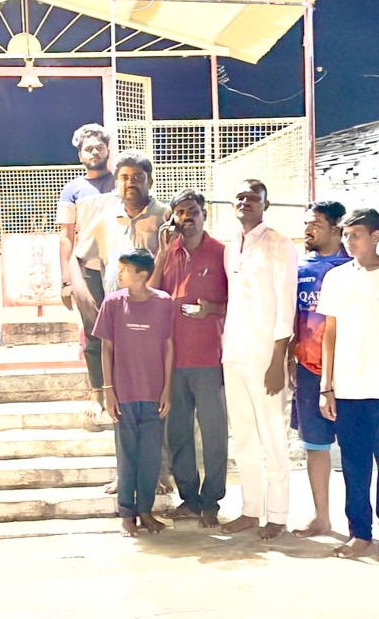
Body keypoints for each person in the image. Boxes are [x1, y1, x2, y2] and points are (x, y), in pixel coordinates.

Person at [317, 208, 379, 564]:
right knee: (354, 466)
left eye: (356, 234)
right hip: (347, 389)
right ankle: (359, 534)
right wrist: (326, 386)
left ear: (376, 236)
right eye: (346, 234)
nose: (349, 240)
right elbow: (329, 333)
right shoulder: (337, 277)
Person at [218, 179, 298, 541]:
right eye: (240, 197)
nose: (245, 202)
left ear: (266, 204)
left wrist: (278, 359)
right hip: (234, 352)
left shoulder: (280, 244)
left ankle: (277, 515)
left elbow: (286, 304)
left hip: (265, 355)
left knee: (272, 435)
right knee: (244, 436)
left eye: (253, 198)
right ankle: (250, 510)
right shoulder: (230, 246)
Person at [70, 150, 168, 430]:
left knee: (154, 388)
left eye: (137, 177)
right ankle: (126, 454)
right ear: (116, 182)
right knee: (122, 389)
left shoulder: (164, 215)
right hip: (120, 314)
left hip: (154, 314)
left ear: (150, 180)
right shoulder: (105, 220)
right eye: (124, 177)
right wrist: (81, 292)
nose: (130, 183)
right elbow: (79, 257)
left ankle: (156, 453)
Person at [152, 190, 228, 528]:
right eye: (180, 212)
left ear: (204, 214)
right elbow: (150, 293)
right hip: (173, 360)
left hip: (209, 358)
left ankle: (211, 501)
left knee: (213, 433)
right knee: (178, 433)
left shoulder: (221, 253)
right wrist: (161, 251)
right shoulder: (169, 252)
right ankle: (190, 500)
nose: (186, 218)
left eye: (192, 211)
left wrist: (210, 309)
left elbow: (236, 300)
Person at [96, 249, 176, 537]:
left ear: (142, 275)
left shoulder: (163, 302)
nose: (119, 274)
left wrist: (167, 389)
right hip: (124, 393)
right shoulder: (113, 303)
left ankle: (146, 511)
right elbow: (106, 347)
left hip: (154, 393)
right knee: (127, 454)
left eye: (125, 270)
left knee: (151, 456)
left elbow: (168, 346)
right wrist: (108, 390)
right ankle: (126, 514)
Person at [290, 200, 352, 537]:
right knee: (315, 446)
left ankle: (360, 522)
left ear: (336, 229)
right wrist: (290, 358)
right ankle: (321, 517)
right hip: (309, 370)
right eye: (305, 224)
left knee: (356, 449)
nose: (307, 230)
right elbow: (292, 318)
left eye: (315, 224)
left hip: (350, 370)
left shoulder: (353, 267)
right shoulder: (299, 268)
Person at [58, 124, 115, 418]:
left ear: (107, 150)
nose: (94, 152)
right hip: (87, 268)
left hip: (121, 268)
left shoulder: (122, 181)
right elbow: (66, 237)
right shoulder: (73, 190)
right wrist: (66, 281)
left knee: (124, 332)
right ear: (80, 154)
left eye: (99, 147)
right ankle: (97, 395)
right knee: (94, 333)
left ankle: (122, 391)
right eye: (88, 149)